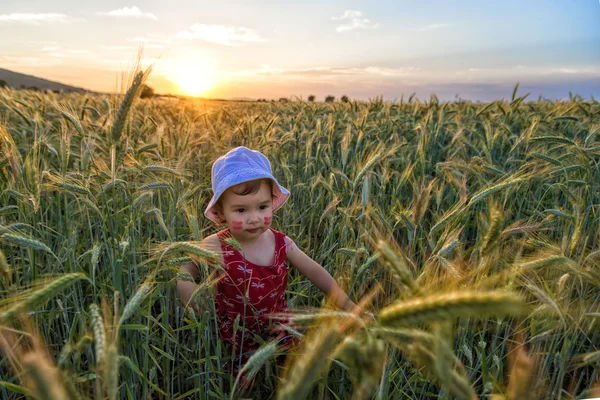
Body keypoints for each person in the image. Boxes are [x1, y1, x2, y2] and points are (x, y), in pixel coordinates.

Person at [176, 146, 361, 375]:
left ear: (271, 202)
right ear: (221, 213)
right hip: (237, 335)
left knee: (295, 370)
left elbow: (315, 273)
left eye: (262, 207)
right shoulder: (215, 245)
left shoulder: (281, 243)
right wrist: (192, 296)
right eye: (241, 210)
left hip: (280, 326)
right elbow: (184, 274)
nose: (254, 218)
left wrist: (350, 306)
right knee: (242, 383)